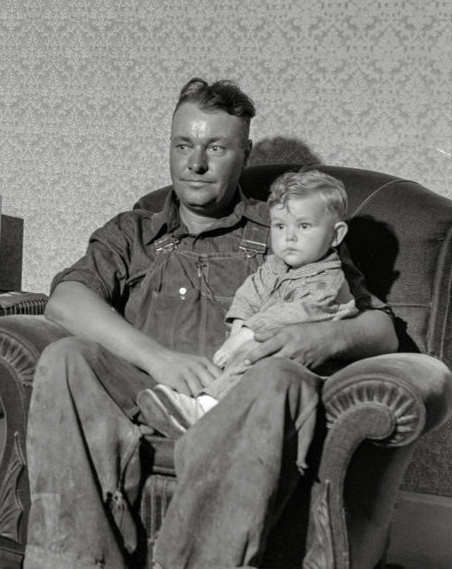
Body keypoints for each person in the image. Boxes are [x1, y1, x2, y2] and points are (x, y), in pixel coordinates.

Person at [25, 77, 397, 569]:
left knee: (280, 379)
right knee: (65, 356)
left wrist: (315, 337)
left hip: (241, 403)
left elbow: (383, 330)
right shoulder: (134, 231)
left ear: (244, 154)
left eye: (215, 148)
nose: (195, 163)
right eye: (184, 145)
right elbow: (65, 302)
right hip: (147, 392)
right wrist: (157, 359)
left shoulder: (287, 229)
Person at [137, 169, 359, 438]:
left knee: (254, 353)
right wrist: (240, 321)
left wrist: (247, 333)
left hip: (309, 368)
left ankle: (205, 410)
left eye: (303, 226)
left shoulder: (329, 280)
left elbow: (294, 314)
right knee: (238, 356)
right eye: (280, 226)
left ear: (336, 235)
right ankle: (194, 409)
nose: (289, 237)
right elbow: (250, 291)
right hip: (265, 344)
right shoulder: (277, 265)